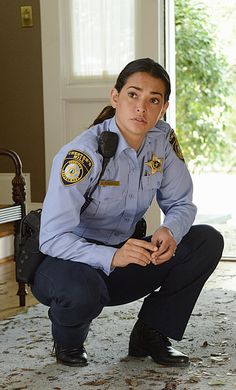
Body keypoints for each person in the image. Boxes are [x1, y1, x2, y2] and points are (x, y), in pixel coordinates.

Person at [31, 58, 224, 368]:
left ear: (164, 107)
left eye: (153, 100)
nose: (141, 108)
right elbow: (52, 238)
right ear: (115, 97)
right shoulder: (82, 154)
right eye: (133, 94)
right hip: (67, 265)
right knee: (84, 290)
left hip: (123, 260)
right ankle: (68, 341)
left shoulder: (162, 141)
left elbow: (182, 204)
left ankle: (151, 333)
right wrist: (111, 257)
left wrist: (169, 231)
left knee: (206, 241)